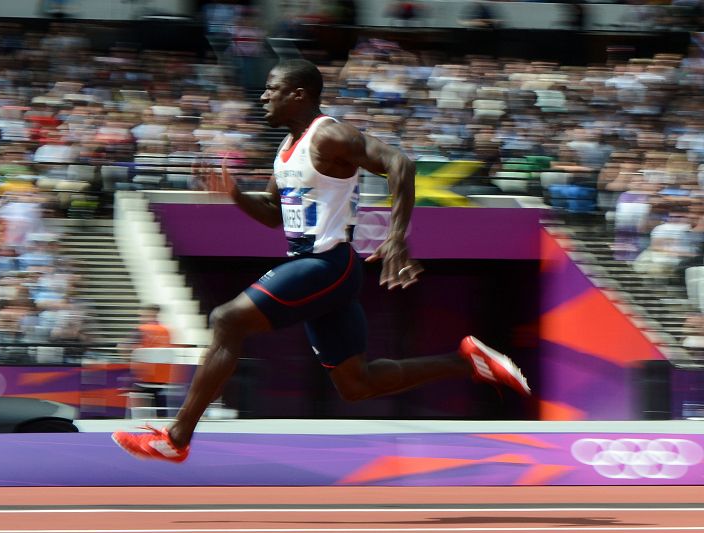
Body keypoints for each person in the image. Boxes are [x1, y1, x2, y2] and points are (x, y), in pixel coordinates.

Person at [112, 59, 530, 462]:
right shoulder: (285, 148)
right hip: (317, 269)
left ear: (298, 94)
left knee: (226, 320)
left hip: (328, 264)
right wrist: (235, 194)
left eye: (271, 89)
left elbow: (399, 163)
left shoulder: (328, 135)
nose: (263, 97)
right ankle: (466, 361)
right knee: (356, 384)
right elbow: (273, 214)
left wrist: (396, 236)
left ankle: (177, 438)